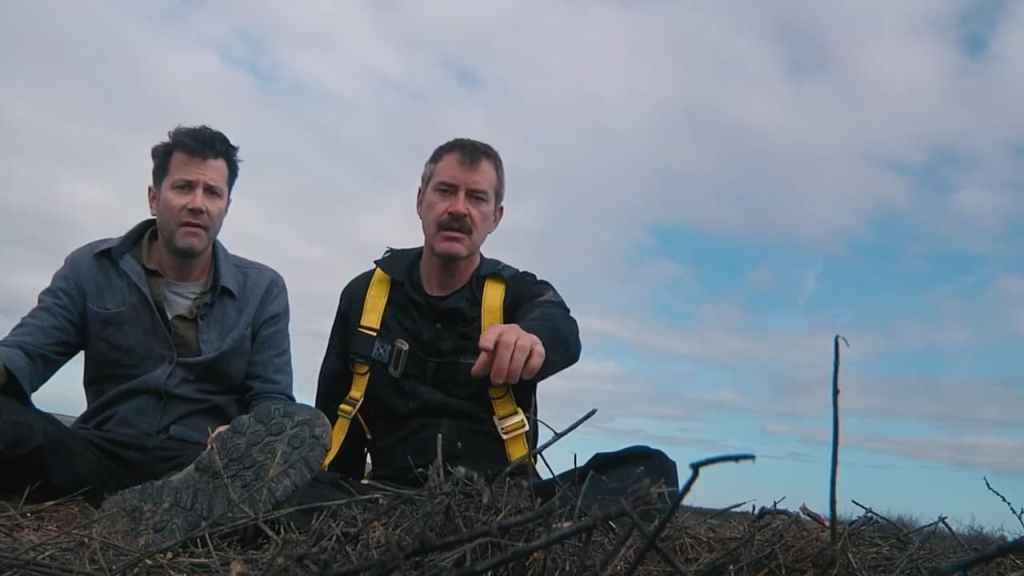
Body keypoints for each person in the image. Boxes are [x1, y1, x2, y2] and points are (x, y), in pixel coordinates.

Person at [0, 125, 328, 544]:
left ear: (226, 206)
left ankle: (186, 510)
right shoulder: (90, 267)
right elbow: (27, 352)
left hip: (204, 469)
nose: (197, 204)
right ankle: (163, 515)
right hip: (96, 452)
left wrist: (241, 436)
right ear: (154, 197)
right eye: (183, 187)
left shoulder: (264, 289)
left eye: (212, 193)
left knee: (329, 493)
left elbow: (271, 400)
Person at [315, 138, 582, 485]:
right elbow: (333, 418)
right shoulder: (364, 296)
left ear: (496, 217)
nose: (458, 209)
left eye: (477, 197)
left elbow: (559, 324)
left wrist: (530, 338)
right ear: (420, 201)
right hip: (382, 496)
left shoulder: (515, 292)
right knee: (307, 489)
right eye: (445, 191)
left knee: (643, 467)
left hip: (504, 501)